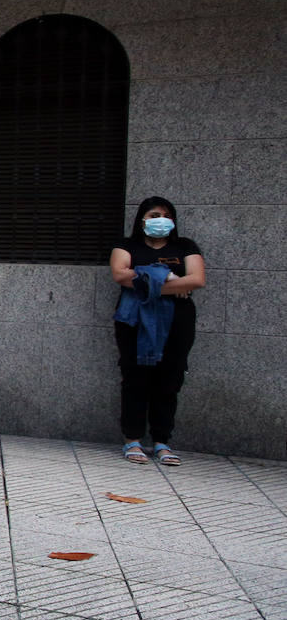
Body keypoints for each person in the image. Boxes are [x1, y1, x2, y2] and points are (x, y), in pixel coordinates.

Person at [109, 197, 205, 467]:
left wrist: (146, 281)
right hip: (135, 321)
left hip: (177, 321)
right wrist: (172, 281)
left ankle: (162, 441)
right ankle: (133, 439)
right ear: (142, 219)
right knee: (135, 377)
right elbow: (120, 274)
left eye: (166, 214)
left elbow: (197, 279)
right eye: (154, 214)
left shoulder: (184, 246)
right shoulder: (127, 245)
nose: (160, 219)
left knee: (169, 378)